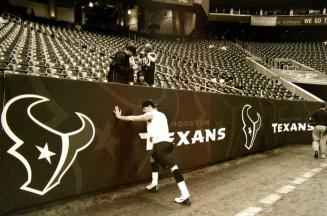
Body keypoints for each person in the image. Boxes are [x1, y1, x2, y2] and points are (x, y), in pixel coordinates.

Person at [113, 99, 191, 205]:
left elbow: (135, 118)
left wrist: (119, 117)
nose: (144, 111)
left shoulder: (151, 114)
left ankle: (185, 195)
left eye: (144, 109)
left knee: (174, 168)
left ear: (150, 107)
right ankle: (154, 184)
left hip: (161, 146)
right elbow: (155, 128)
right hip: (167, 144)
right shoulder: (161, 115)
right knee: (153, 158)